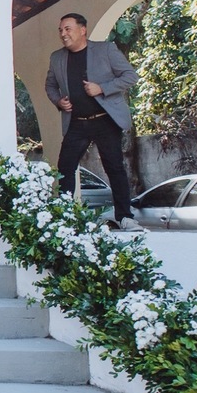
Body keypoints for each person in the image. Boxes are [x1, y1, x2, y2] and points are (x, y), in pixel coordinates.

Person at [44, 12, 142, 231]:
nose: (63, 34)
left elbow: (130, 76)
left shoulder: (105, 50)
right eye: (60, 30)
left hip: (104, 120)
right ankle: (66, 216)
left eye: (67, 29)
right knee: (65, 168)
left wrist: (102, 88)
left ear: (82, 30)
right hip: (76, 122)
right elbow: (50, 86)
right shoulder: (57, 57)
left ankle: (125, 217)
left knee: (114, 167)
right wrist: (59, 101)